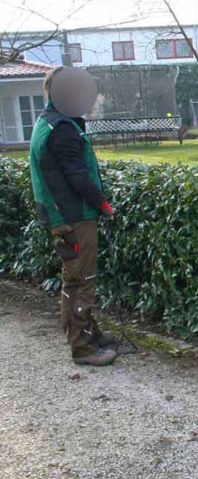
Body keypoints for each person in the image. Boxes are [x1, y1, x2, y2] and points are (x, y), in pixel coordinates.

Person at [29, 66, 118, 366]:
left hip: (62, 216)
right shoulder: (63, 129)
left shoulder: (49, 122)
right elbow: (77, 176)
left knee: (74, 279)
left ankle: (87, 333)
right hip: (74, 216)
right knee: (83, 280)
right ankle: (83, 347)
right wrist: (103, 205)